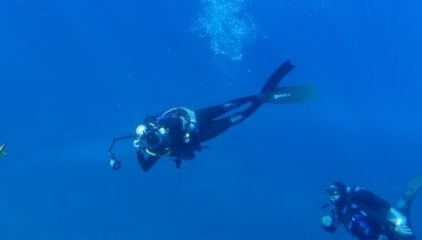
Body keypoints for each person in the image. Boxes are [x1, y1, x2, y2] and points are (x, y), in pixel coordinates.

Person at [107, 60, 315, 172]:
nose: (153, 138)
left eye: (150, 136)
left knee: (226, 107)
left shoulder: (152, 127)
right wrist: (138, 151)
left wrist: (153, 128)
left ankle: (257, 96)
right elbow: (145, 168)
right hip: (201, 135)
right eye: (150, 140)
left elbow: (167, 116)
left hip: (194, 119)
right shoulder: (154, 149)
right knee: (235, 119)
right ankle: (260, 100)